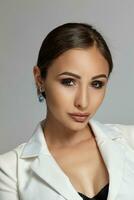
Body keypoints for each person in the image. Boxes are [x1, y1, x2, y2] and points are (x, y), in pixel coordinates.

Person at [0, 22, 134, 200]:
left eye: (96, 84)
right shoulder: (10, 171)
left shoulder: (130, 141)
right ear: (40, 79)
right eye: (68, 82)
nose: (83, 102)